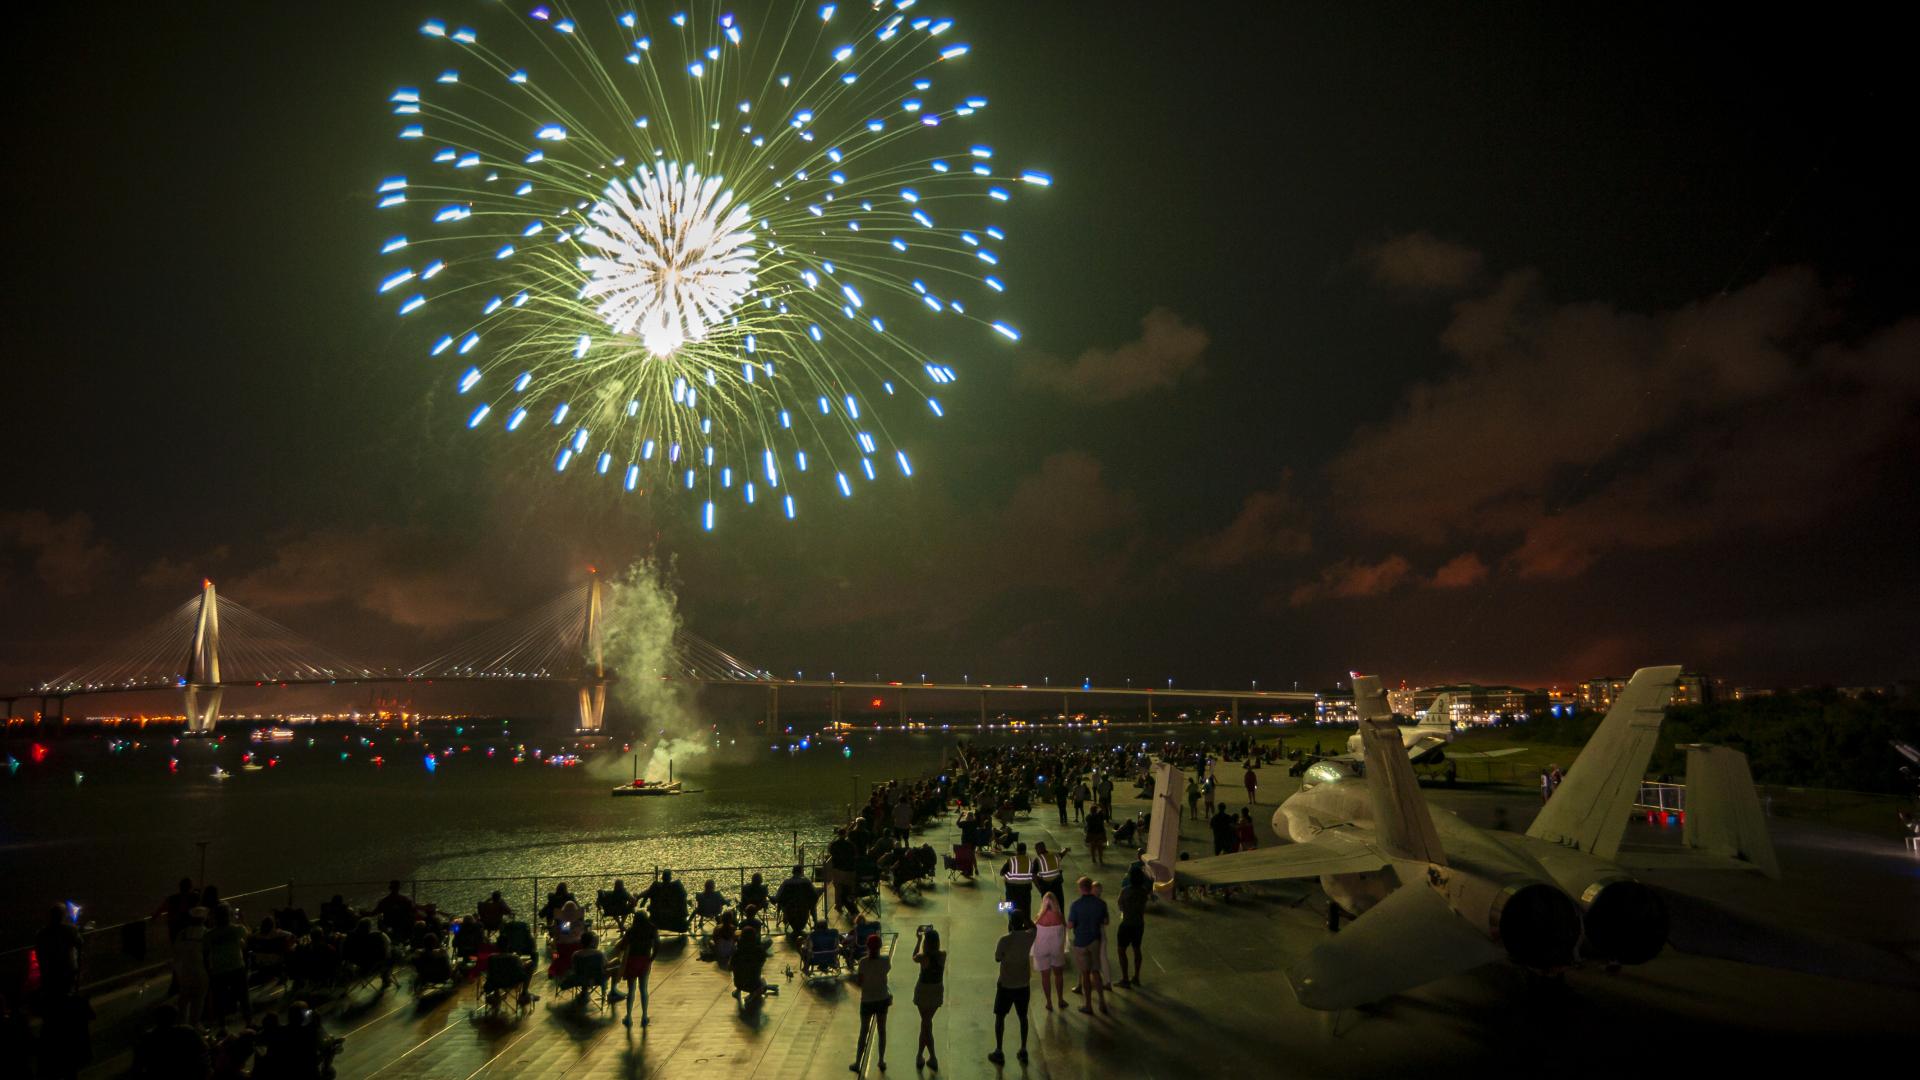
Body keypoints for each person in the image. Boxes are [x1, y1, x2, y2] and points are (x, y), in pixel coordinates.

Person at [991, 911, 1035, 1065]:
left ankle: (999, 1050)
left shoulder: (1004, 940)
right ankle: (1023, 1049)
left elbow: (997, 958)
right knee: (1023, 1017)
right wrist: (1025, 917)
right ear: (1022, 923)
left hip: (1006, 984)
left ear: (1010, 923)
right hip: (1023, 984)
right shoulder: (1028, 937)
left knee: (1000, 1017)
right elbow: (1034, 928)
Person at [204, 904, 251, 1030]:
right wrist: (242, 919)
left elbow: (206, 950)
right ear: (229, 916)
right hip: (236, 966)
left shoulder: (209, 934)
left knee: (220, 999)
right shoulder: (237, 929)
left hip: (219, 969)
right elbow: (248, 938)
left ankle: (222, 1027)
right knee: (243, 997)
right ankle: (249, 1023)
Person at [1067, 876, 1109, 1016]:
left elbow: (1071, 925)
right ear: (1091, 887)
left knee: (1085, 974)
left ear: (1080, 889)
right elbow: (1105, 921)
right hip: (1095, 941)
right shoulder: (1101, 904)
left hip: (1080, 942)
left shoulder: (1076, 905)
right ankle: (1102, 1002)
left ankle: (1088, 1005)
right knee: (1096, 972)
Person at [131, 1004, 207, 1078]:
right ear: (175, 1018)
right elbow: (203, 1049)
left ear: (156, 1019)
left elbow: (137, 1065)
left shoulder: (148, 1038)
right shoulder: (187, 1032)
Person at [851, 934, 891, 1073]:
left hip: (867, 1000)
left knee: (864, 1031)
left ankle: (857, 1062)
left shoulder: (862, 963)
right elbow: (885, 973)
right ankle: (881, 1060)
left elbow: (860, 982)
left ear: (867, 947)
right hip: (882, 999)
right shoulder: (886, 961)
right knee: (881, 1030)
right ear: (880, 947)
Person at [612, 909, 657, 1028]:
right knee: (644, 989)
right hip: (644, 960)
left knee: (631, 990)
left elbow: (622, 946)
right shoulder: (652, 929)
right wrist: (651, 958)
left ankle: (629, 1016)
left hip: (632, 961)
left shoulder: (631, 931)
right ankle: (644, 1016)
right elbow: (657, 945)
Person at [35, 905, 85, 1002]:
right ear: (63, 916)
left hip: (50, 970)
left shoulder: (42, 933)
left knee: (53, 996)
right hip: (68, 967)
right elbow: (80, 943)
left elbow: (39, 952)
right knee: (68, 994)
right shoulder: (70, 930)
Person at [911, 928, 945, 1071]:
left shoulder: (922, 957)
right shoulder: (942, 955)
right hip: (936, 991)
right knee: (926, 1024)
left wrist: (918, 939)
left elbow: (914, 956)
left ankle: (922, 1056)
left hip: (923, 990)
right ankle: (931, 1058)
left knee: (925, 1024)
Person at [171, 907, 211, 1024]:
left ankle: (181, 1025)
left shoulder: (183, 934)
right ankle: (194, 1026)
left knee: (183, 1001)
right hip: (201, 972)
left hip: (184, 972)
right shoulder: (206, 934)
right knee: (198, 1002)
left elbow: (176, 954)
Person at [1030, 892, 1068, 1011]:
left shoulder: (1038, 918)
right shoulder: (1059, 916)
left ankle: (1049, 1002)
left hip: (1041, 949)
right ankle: (1060, 999)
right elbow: (1065, 930)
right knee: (1059, 975)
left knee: (1045, 977)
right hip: (1056, 948)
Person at [1115, 866, 1149, 989]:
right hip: (1139, 924)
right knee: (1137, 949)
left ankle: (1125, 978)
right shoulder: (1144, 891)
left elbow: (1120, 906)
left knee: (1121, 950)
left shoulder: (1125, 891)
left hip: (1126, 924)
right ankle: (1136, 977)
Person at [775, 865, 816, 937]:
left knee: (781, 903)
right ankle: (815, 922)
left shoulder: (786, 883)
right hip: (804, 908)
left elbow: (779, 896)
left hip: (790, 908)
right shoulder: (807, 882)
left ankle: (783, 920)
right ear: (801, 872)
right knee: (812, 904)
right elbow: (814, 895)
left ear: (793, 872)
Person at [156, 879, 199, 944]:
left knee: (174, 943)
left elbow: (161, 908)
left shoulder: (172, 898)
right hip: (187, 926)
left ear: (180, 887)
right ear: (190, 887)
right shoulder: (193, 898)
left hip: (174, 925)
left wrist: (154, 917)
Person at [828, 829, 860, 917]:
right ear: (845, 834)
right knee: (849, 888)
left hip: (838, 868)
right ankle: (852, 905)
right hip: (849, 869)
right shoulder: (850, 844)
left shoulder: (834, 844)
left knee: (838, 887)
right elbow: (855, 854)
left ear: (838, 834)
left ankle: (838, 905)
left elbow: (830, 851)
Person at [999, 841, 1034, 918]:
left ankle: (1011, 922)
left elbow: (1001, 872)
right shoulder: (1030, 860)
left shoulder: (1011, 860)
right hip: (1026, 889)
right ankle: (1027, 923)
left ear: (1017, 850)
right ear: (1025, 851)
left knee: (1010, 905)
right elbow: (1033, 873)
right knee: (1026, 907)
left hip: (1012, 889)